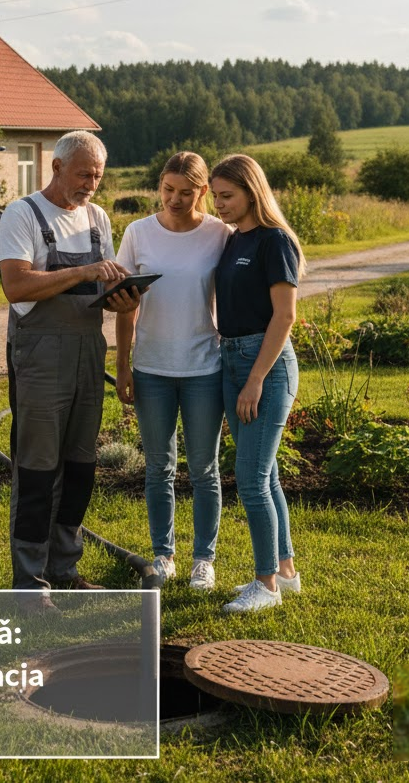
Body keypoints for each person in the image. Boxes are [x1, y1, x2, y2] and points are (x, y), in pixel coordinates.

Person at [0, 130, 138, 602]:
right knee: (37, 468)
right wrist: (83, 271)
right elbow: (16, 288)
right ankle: (29, 581)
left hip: (86, 352)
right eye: (84, 174)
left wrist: (124, 297)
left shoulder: (97, 217)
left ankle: (65, 568)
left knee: (81, 466)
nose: (91, 185)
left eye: (98, 176)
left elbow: (104, 292)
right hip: (40, 355)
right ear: (55, 167)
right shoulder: (23, 214)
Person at [115, 152, 232, 591]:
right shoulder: (138, 233)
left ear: (203, 191)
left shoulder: (220, 235)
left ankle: (205, 558)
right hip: (152, 367)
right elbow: (124, 307)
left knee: (204, 468)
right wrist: (123, 366)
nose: (175, 199)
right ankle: (164, 555)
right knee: (159, 467)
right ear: (159, 186)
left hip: (204, 365)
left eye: (186, 192)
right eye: (168, 190)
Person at [210, 154, 306, 614]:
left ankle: (264, 584)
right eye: (216, 197)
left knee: (250, 479)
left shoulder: (275, 242)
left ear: (252, 191)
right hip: (231, 358)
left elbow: (285, 316)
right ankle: (285, 572)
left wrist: (255, 380)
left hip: (263, 365)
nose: (220, 205)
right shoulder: (233, 240)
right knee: (266, 475)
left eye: (227, 196)